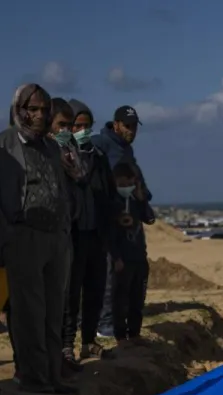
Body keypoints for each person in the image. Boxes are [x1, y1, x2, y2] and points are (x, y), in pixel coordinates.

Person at [0, 83, 74, 393]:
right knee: (29, 312)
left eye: (44, 110)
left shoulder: (51, 147)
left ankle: (52, 375)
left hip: (54, 239)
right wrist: (7, 235)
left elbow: (67, 184)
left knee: (53, 309)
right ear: (19, 110)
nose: (39, 116)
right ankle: (33, 376)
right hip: (23, 238)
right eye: (33, 109)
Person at [91, 106, 152, 345]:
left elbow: (135, 177)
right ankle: (105, 325)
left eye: (135, 126)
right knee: (111, 274)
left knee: (135, 276)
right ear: (116, 124)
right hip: (111, 218)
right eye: (128, 126)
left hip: (131, 218)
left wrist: (144, 201)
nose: (132, 131)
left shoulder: (126, 150)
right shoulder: (101, 144)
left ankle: (130, 329)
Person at [62, 100, 113, 365]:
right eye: (76, 125)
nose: (81, 130)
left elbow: (109, 191)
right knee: (71, 292)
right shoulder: (63, 155)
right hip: (74, 233)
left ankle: (88, 341)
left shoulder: (98, 156)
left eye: (85, 125)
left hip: (96, 232)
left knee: (95, 289)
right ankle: (67, 344)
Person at [108, 160, 151, 342]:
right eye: (121, 184)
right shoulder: (112, 203)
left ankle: (134, 333)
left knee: (137, 299)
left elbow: (149, 218)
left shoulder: (135, 202)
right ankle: (120, 335)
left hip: (139, 257)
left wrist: (141, 198)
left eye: (129, 184)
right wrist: (116, 257)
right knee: (120, 299)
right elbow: (109, 234)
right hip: (122, 259)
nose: (125, 187)